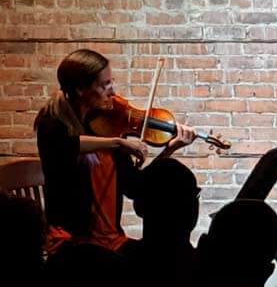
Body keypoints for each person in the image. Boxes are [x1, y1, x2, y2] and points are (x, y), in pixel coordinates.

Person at [34, 48, 196, 255]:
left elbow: (134, 187)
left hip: (112, 242)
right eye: (104, 84)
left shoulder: (107, 125)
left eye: (111, 82)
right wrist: (118, 143)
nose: (112, 91)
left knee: (166, 256)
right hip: (73, 244)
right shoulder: (52, 126)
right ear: (80, 89)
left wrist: (169, 150)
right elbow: (66, 146)